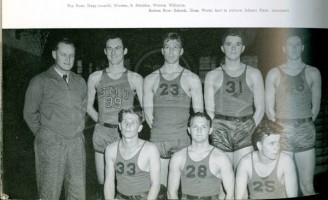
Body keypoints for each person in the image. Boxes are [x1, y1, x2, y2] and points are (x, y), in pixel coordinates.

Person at [23, 37, 87, 200]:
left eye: (71, 55)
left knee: (77, 192)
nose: (68, 59)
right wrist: (45, 135)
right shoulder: (40, 81)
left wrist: (77, 130)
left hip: (76, 143)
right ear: (54, 54)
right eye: (63, 54)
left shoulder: (80, 81)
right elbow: (29, 113)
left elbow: (83, 109)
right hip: (51, 142)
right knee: (49, 192)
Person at [143, 32, 204, 195]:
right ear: (162, 51)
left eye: (175, 47)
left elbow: (199, 115)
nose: (171, 52)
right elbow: (148, 114)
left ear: (181, 51)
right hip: (158, 139)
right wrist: (163, 131)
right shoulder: (150, 79)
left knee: (185, 190)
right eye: (167, 47)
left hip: (183, 140)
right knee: (161, 190)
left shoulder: (192, 79)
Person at [265, 30, 321, 196]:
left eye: (298, 45)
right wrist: (283, 128)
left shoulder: (313, 72)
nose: (294, 48)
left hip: (305, 129)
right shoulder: (273, 73)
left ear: (302, 47)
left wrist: (302, 124)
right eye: (290, 45)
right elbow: (269, 110)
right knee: (283, 185)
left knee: (307, 187)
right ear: (283, 48)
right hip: (282, 130)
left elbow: (315, 109)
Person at [87, 34, 143, 197]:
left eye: (117, 48)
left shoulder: (135, 78)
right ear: (105, 51)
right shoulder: (95, 77)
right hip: (102, 132)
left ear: (124, 51)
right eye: (109, 49)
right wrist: (101, 120)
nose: (113, 52)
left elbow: (146, 109)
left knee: (125, 182)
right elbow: (88, 106)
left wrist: (131, 127)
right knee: (103, 183)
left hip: (124, 134)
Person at [204, 29, 264, 169]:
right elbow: (209, 109)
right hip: (221, 129)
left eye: (237, 44)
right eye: (229, 44)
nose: (233, 48)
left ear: (243, 48)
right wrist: (218, 127)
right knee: (223, 180)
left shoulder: (254, 73)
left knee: (243, 177)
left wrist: (249, 127)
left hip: (245, 128)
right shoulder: (212, 75)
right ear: (222, 48)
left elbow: (261, 108)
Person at [168, 112, 234, 200]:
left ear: (210, 130)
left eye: (203, 127)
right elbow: (171, 193)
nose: (199, 131)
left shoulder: (222, 158)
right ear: (189, 130)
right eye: (195, 126)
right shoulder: (178, 157)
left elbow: (230, 194)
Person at [104, 107, 161, 200]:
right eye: (125, 122)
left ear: (139, 128)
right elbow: (109, 183)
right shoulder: (111, 149)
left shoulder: (150, 149)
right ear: (119, 125)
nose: (128, 126)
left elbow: (156, 184)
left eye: (133, 123)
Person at [235, 120, 298, 199]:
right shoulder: (245, 163)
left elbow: (292, 196)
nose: (277, 147)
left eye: (278, 142)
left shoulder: (286, 161)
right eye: (272, 143)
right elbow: (239, 197)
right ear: (259, 145)